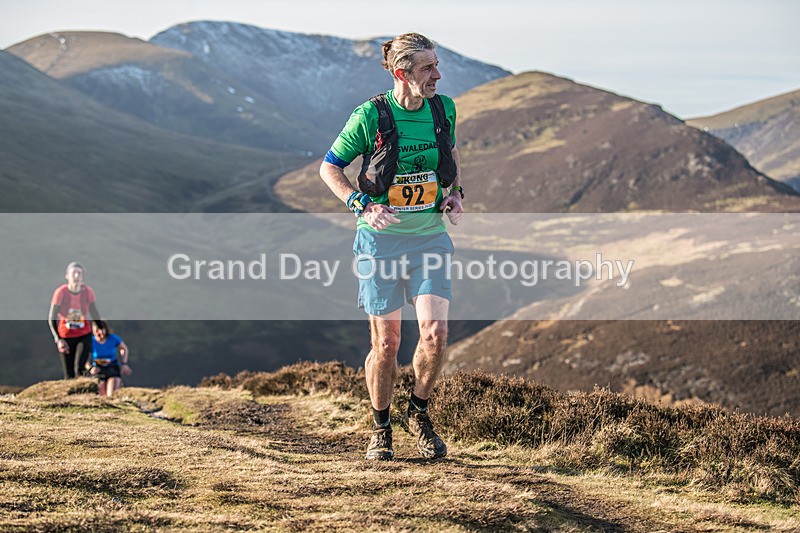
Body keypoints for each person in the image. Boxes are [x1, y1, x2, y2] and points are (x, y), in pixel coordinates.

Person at [319, 33, 464, 460]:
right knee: (386, 345)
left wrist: (455, 192)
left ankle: (418, 413)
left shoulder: (443, 108)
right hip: (379, 243)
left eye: (437, 65)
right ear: (402, 73)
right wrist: (359, 205)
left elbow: (449, 155)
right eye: (427, 69)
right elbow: (330, 167)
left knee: (435, 335)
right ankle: (381, 427)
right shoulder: (370, 116)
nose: (437, 75)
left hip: (430, 238)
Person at [48, 262, 103, 379]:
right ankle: (71, 396)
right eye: (74, 273)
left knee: (80, 368)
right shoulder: (61, 292)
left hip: (84, 334)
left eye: (79, 273)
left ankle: (84, 394)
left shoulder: (88, 292)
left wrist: (101, 328)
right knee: (69, 373)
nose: (77, 276)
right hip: (66, 335)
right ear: (67, 276)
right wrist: (58, 339)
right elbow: (52, 318)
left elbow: (94, 312)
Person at [88, 320, 131, 397]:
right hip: (98, 370)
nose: (100, 333)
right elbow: (84, 359)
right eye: (97, 331)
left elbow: (124, 349)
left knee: (111, 395)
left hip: (112, 368)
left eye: (101, 330)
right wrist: (90, 368)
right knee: (102, 396)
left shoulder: (113, 338)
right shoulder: (91, 341)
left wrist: (124, 363)